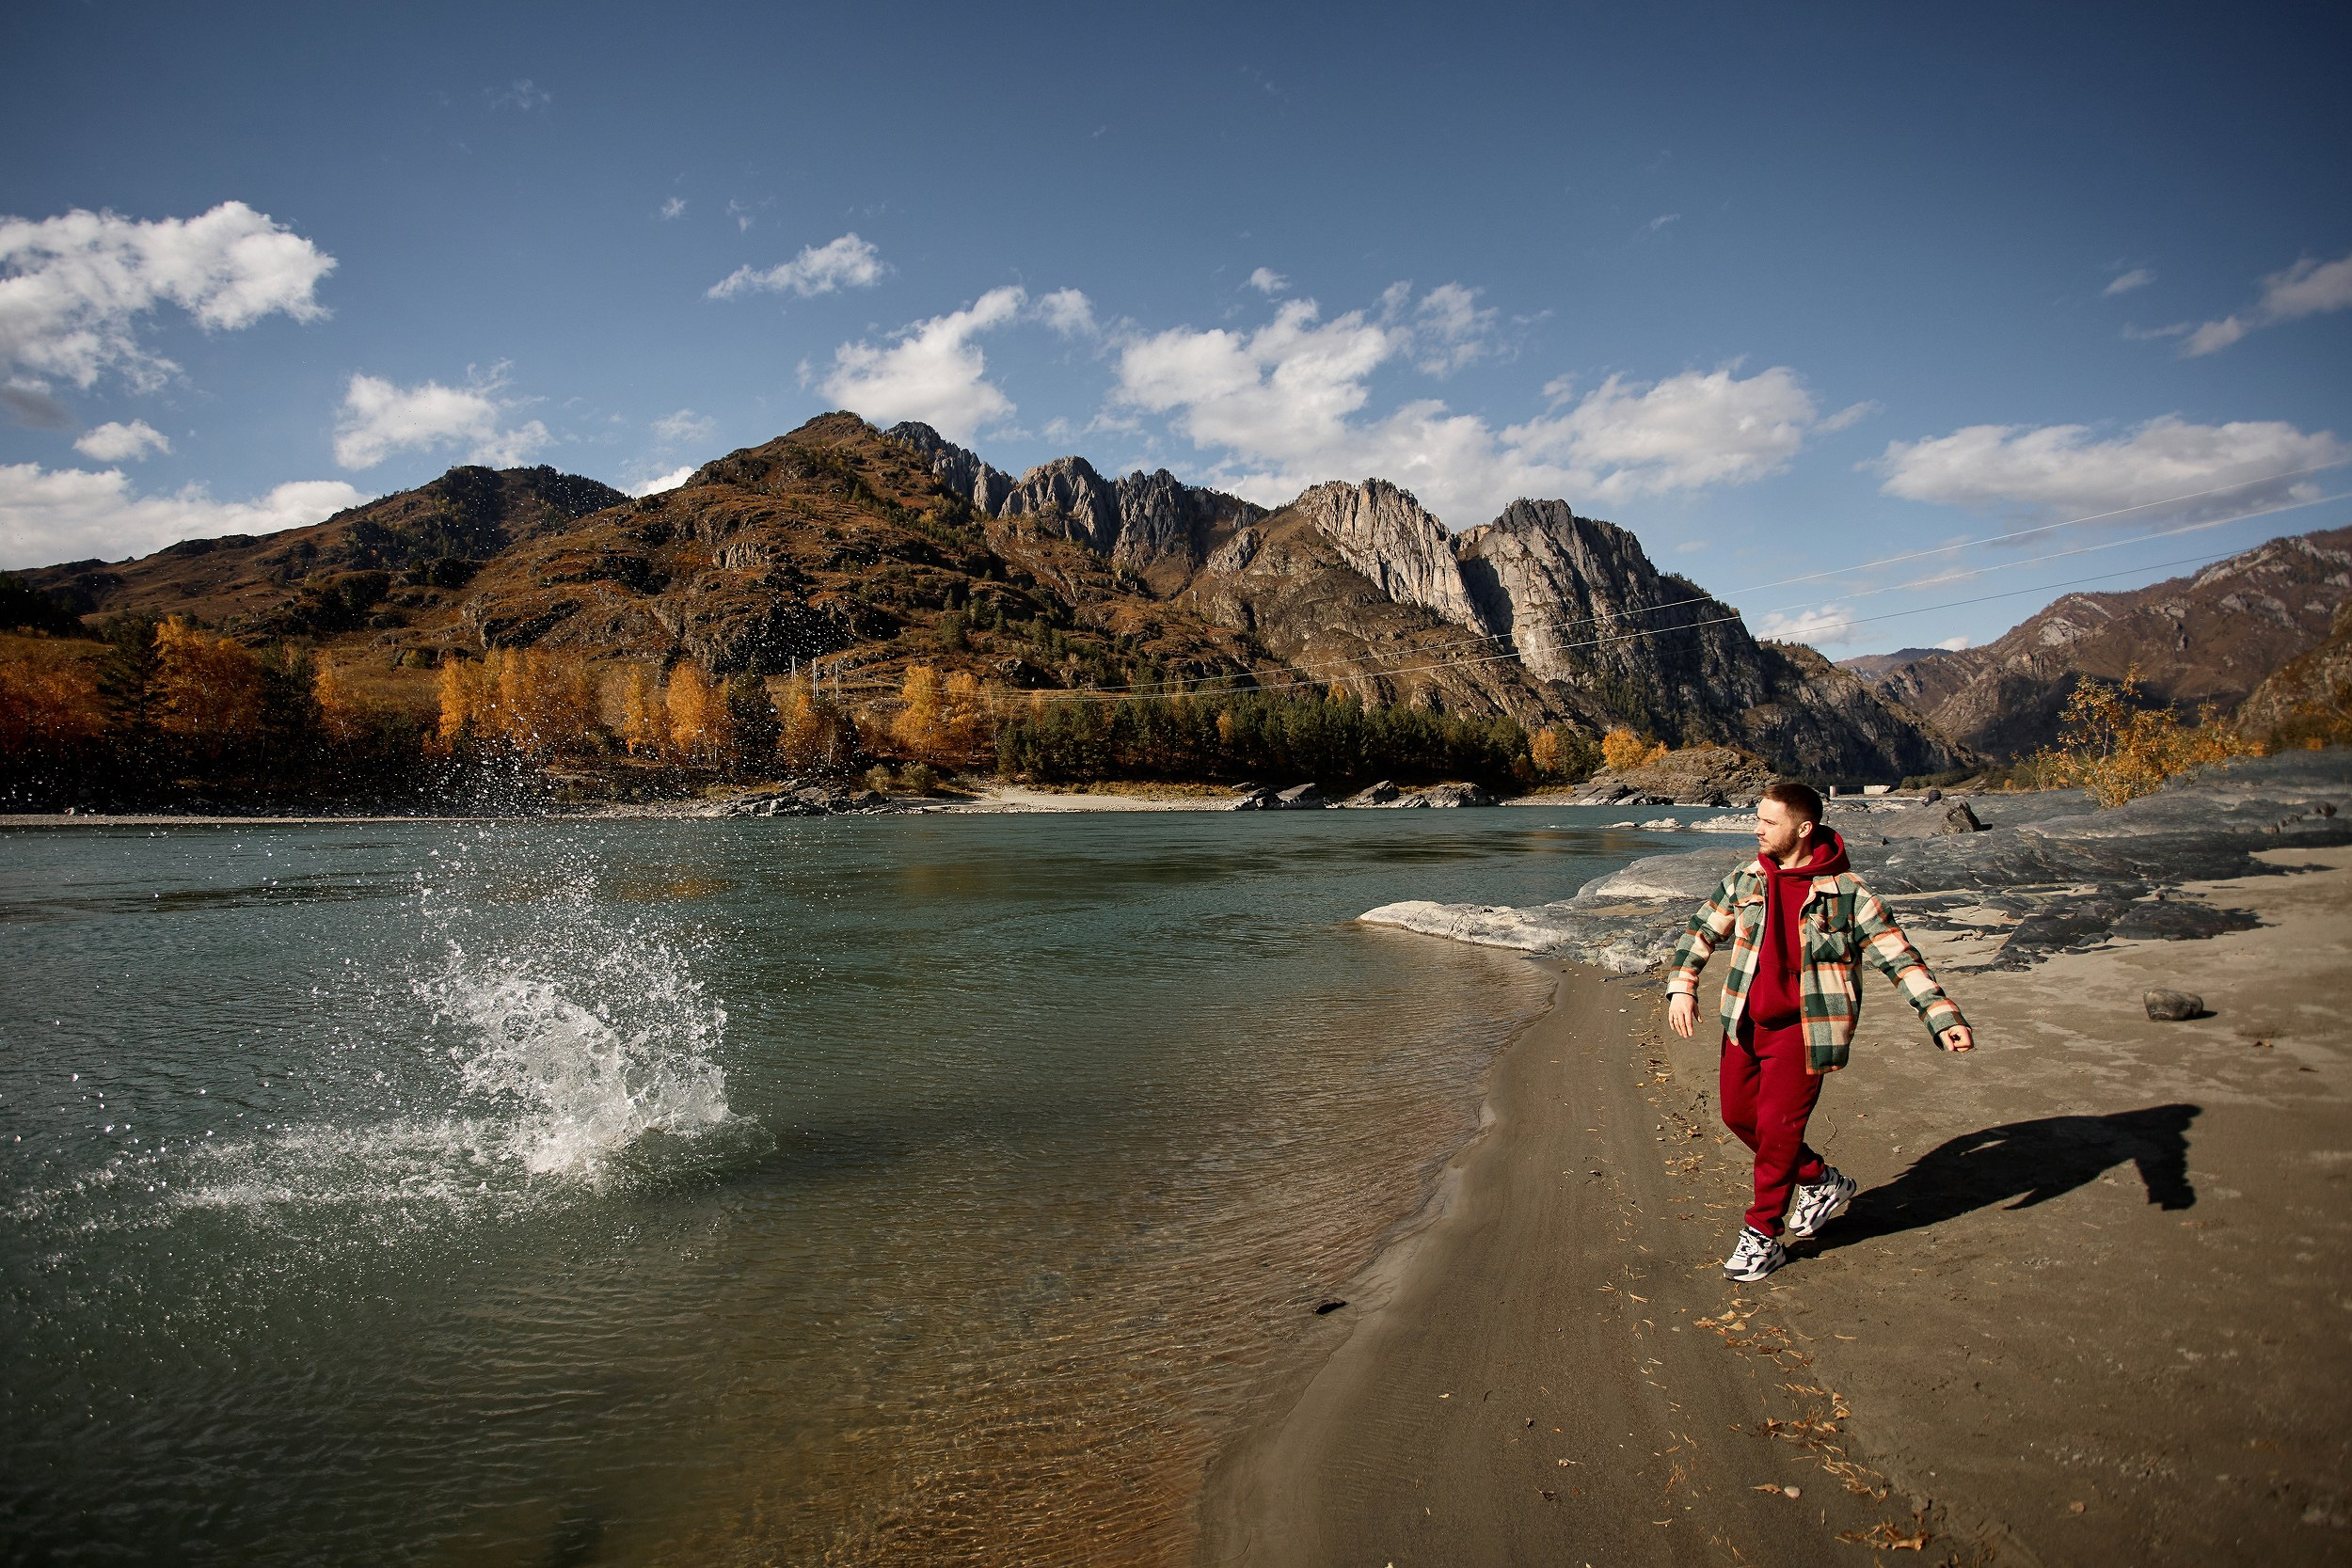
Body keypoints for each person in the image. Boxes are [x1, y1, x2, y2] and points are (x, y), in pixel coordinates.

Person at [1665, 781, 1973, 1281]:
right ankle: (1820, 1180)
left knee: (1779, 1131)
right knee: (1739, 1117)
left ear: (1804, 829)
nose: (1757, 829)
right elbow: (1701, 930)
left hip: (1806, 1032)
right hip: (1744, 1023)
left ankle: (1763, 1234)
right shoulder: (1746, 880)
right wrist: (1683, 985)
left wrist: (1941, 1016)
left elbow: (1899, 957)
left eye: (1768, 822)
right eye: (1757, 818)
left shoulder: (1849, 895)